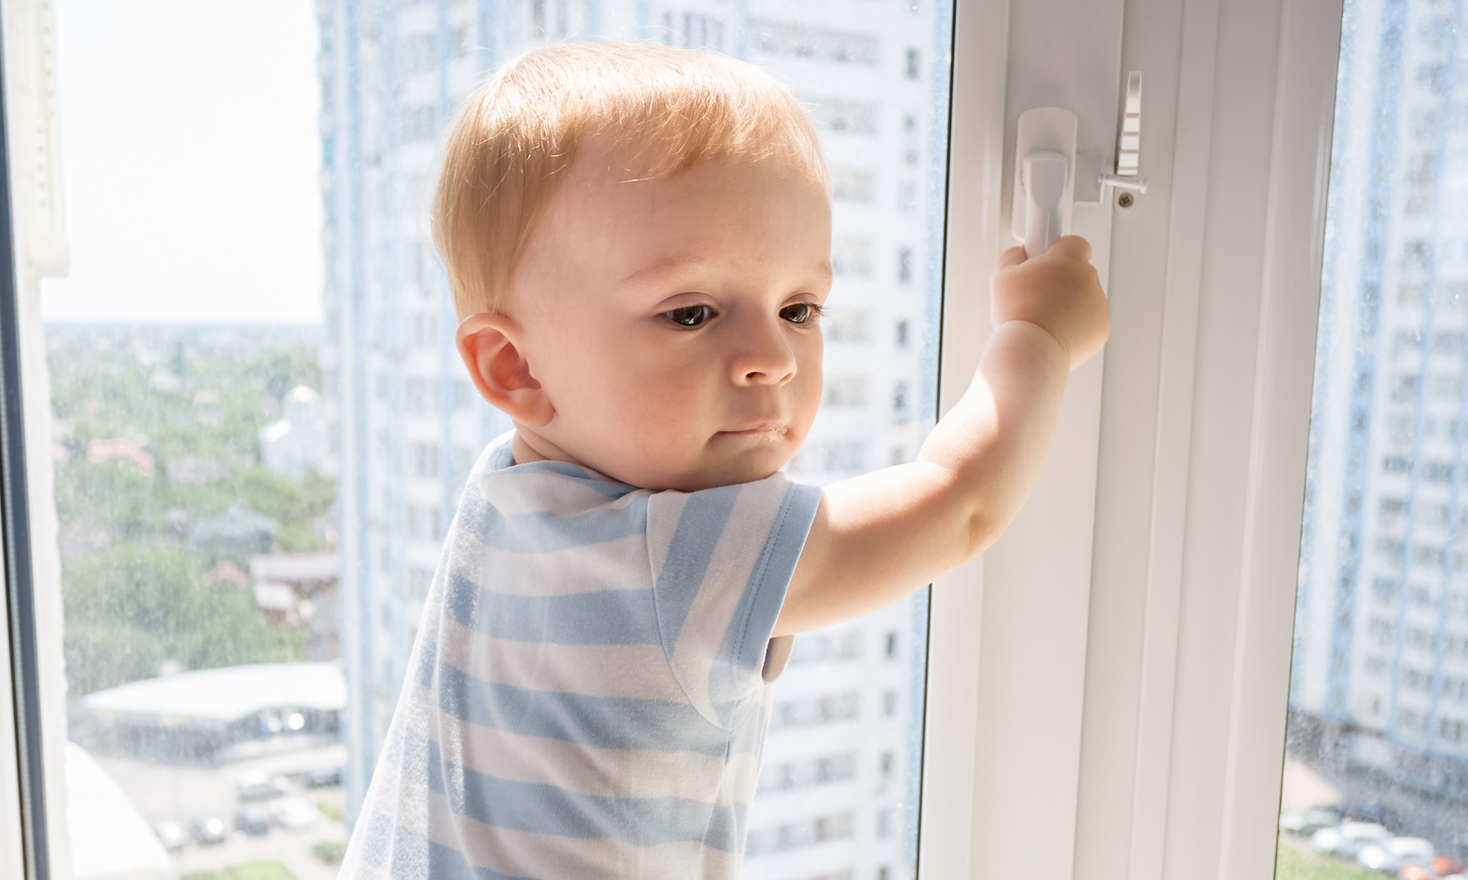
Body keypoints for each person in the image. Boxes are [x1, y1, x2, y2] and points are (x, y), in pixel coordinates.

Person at [341, 41, 1110, 879]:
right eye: (693, 312)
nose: (772, 356)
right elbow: (960, 503)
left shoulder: (505, 492)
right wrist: (1038, 337)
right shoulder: (678, 554)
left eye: (800, 307)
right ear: (515, 369)